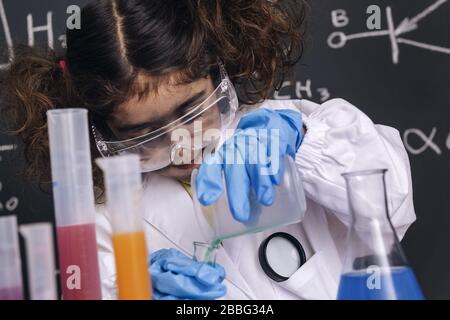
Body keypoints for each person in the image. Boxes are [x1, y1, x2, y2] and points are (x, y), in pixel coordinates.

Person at [1, 0, 416, 300]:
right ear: (105, 133)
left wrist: (305, 145)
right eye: (147, 135)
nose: (182, 143)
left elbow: (392, 205)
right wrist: (138, 292)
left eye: (193, 109)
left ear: (219, 72)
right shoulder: (107, 220)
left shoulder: (289, 129)